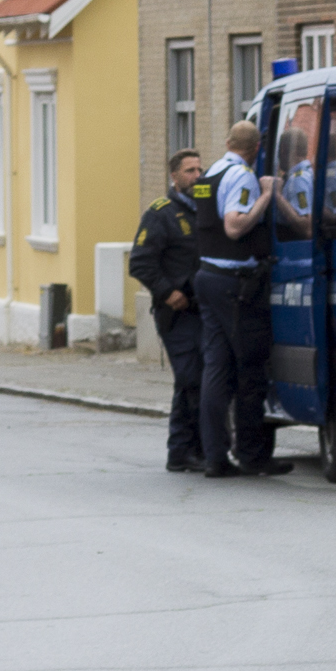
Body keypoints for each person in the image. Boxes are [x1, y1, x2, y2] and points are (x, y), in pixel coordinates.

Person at [190, 120, 292, 478]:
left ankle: (215, 455)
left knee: (217, 369)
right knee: (250, 370)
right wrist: (266, 193)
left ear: (228, 141)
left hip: (208, 277)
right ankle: (252, 455)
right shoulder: (243, 176)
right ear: (256, 146)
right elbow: (234, 225)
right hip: (236, 284)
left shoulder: (212, 174)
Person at [129, 149, 205, 473]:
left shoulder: (205, 208)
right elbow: (140, 261)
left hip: (203, 309)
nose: (197, 176)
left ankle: (188, 450)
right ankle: (184, 449)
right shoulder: (160, 214)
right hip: (176, 312)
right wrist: (167, 291)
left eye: (200, 169)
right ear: (174, 176)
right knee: (191, 377)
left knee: (198, 379)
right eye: (190, 171)